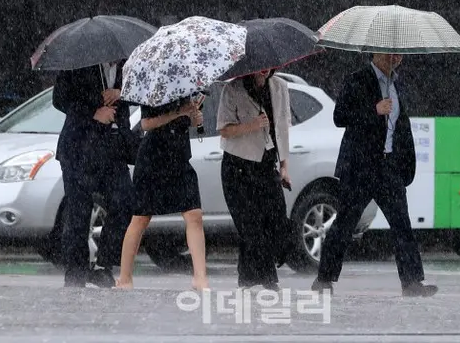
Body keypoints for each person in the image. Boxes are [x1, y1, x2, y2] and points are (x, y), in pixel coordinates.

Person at [311, 53, 438, 297]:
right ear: (376, 53)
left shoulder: (397, 83)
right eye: (391, 52)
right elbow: (340, 117)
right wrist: (374, 110)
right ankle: (324, 278)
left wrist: (403, 160)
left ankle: (412, 282)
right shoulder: (357, 80)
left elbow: (401, 125)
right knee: (346, 222)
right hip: (360, 166)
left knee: (401, 223)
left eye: (400, 53)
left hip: (388, 166)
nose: (396, 57)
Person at [53, 61, 137, 288]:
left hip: (112, 147)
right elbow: (60, 100)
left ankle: (103, 265)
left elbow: (142, 94)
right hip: (80, 147)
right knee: (79, 211)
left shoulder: (127, 66)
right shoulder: (78, 64)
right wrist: (94, 112)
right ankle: (76, 272)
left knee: (124, 202)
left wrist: (122, 92)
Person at [115, 96, 209, 290]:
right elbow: (146, 123)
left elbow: (186, 121)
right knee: (140, 218)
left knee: (194, 215)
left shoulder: (188, 90)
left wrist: (195, 118)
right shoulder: (154, 89)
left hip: (180, 158)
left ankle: (200, 278)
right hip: (152, 161)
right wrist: (179, 112)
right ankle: (125, 278)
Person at [216, 69, 293, 291]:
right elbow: (224, 130)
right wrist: (253, 125)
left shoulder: (279, 87)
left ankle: (248, 278)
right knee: (250, 226)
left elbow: (283, 128)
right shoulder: (233, 88)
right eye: (259, 66)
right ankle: (266, 280)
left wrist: (285, 165)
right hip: (238, 167)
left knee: (275, 219)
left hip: (266, 164)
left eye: (268, 66)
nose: (264, 70)